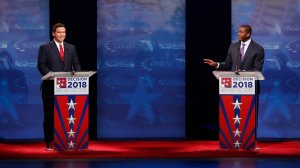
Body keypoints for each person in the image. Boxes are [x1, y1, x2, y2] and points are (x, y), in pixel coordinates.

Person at [37, 23, 81, 150]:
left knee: (67, 115)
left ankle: (66, 141)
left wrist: (77, 72)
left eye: (64, 32)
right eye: (59, 32)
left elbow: (76, 64)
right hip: (50, 88)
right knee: (50, 116)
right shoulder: (45, 48)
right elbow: (41, 65)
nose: (62, 34)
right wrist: (51, 75)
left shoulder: (71, 48)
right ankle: (49, 141)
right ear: (53, 33)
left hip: (67, 87)